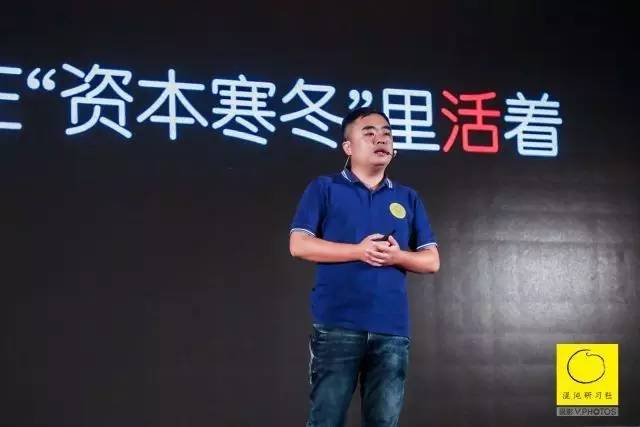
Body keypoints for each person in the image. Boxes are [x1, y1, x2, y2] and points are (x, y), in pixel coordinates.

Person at [289, 107, 440, 427]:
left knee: (383, 422)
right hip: (337, 325)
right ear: (348, 146)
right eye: (369, 133)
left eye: (386, 134)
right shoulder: (325, 188)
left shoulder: (408, 197)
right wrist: (359, 251)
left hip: (391, 330)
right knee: (325, 421)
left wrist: (397, 257)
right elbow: (299, 244)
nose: (380, 139)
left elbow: (431, 260)